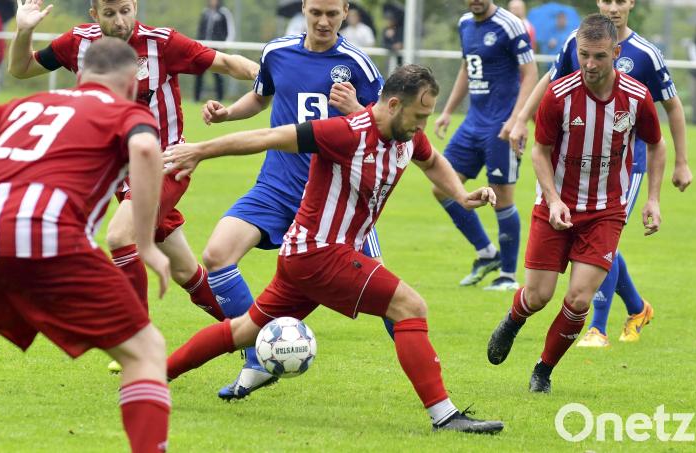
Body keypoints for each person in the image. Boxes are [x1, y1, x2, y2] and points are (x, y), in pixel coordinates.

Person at [164, 64, 504, 434]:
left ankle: (152, 378)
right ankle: (446, 417)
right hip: (319, 253)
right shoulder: (344, 133)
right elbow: (267, 136)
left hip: (305, 257)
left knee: (245, 330)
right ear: (393, 104)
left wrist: (461, 194)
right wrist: (199, 150)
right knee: (410, 306)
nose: (424, 124)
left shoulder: (408, 137)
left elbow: (433, 161)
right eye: (419, 115)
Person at [7, 0, 260, 361]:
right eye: (109, 14)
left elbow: (226, 62)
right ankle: (257, 340)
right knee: (185, 269)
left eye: (126, 10)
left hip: (167, 161)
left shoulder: (162, 43)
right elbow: (21, 69)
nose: (120, 20)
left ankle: (137, 342)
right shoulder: (78, 43)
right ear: (95, 15)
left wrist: (267, 71)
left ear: (135, 6)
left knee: (119, 236)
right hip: (121, 173)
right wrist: (25, 29)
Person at [0, 38, 172, 452]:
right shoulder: (128, 111)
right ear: (131, 82)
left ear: (80, 75)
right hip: (41, 228)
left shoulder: (28, 105)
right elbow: (146, 148)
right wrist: (145, 244)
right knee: (146, 351)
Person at [197, 0, 385, 400]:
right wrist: (228, 112)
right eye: (315, 11)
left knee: (386, 296)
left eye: (332, 14)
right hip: (275, 187)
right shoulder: (277, 52)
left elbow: (385, 124)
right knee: (217, 255)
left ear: (346, 12)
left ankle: (436, 391)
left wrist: (356, 109)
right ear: (304, 8)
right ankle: (257, 356)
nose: (322, 21)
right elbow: (261, 98)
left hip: (333, 200)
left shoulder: (359, 64)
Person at [487, 14, 666, 393]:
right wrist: (552, 200)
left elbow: (656, 143)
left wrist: (652, 199)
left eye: (599, 56)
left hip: (605, 211)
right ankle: (514, 319)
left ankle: (543, 371)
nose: (589, 64)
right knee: (538, 295)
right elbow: (539, 152)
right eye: (583, 55)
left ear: (616, 53)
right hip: (556, 206)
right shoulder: (559, 95)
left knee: (579, 298)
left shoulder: (636, 98)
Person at [508, 0, 693, 347]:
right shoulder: (575, 43)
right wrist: (520, 119)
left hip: (628, 163)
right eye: (607, 0)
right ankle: (637, 307)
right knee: (596, 249)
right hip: (575, 164)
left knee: (604, 237)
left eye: (620, 0)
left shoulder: (646, 54)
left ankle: (599, 326)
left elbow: (672, 105)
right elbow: (550, 81)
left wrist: (681, 161)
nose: (613, 7)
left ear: (631, 4)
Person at [432, 0, 537, 291]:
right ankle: (486, 253)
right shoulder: (465, 23)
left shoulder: (510, 24)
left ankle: (507, 276)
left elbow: (531, 74)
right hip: (473, 122)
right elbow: (468, 67)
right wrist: (447, 111)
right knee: (441, 186)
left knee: (502, 198)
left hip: (501, 124)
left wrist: (517, 120)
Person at [194, 0, 236, 102]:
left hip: (217, 48)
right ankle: (196, 98)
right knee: (198, 73)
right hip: (203, 48)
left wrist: (225, 44)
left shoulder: (224, 13)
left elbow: (230, 30)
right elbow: (200, 30)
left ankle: (220, 98)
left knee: (218, 74)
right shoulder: (205, 13)